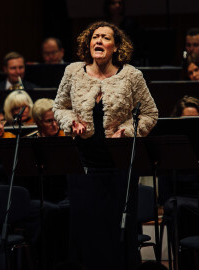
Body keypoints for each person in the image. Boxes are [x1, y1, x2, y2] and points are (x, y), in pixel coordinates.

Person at [53, 20, 158, 270]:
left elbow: (150, 114)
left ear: (116, 47)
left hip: (120, 167)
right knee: (86, 231)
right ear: (88, 44)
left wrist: (128, 131)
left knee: (117, 232)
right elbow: (59, 107)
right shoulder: (73, 72)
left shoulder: (132, 75)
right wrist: (71, 123)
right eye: (95, 37)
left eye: (105, 37)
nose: (98, 41)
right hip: (83, 168)